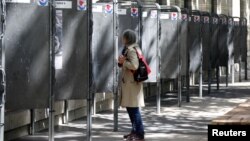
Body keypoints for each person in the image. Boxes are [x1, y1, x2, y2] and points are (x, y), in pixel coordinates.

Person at [118, 29, 145, 141]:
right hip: (131, 83)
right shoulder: (133, 48)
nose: (122, 39)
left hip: (132, 84)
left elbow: (134, 65)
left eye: (124, 37)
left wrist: (124, 62)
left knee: (134, 109)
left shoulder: (131, 50)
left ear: (127, 38)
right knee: (131, 108)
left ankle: (139, 133)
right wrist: (122, 62)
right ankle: (134, 131)